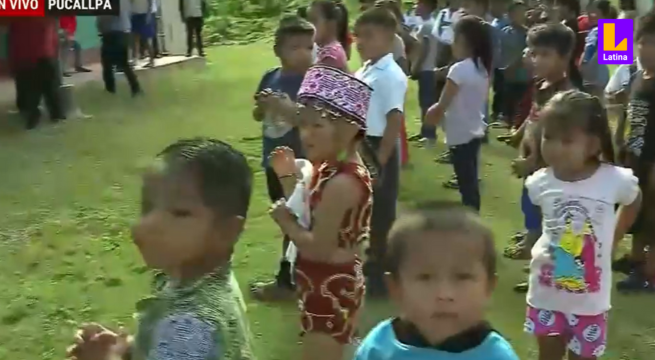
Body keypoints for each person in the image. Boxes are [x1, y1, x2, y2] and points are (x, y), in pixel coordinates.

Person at [65, 138, 256, 360]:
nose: (147, 225)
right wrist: (130, 351)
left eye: (179, 212)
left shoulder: (190, 325)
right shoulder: (199, 280)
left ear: (226, 231)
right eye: (147, 207)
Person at [266, 65, 378, 360]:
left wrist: (284, 221)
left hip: (330, 287)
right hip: (320, 285)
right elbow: (307, 211)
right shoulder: (328, 168)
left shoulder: (343, 182)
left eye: (317, 126)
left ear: (348, 129)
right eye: (303, 125)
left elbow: (319, 247)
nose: (306, 134)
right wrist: (289, 178)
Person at [523, 90, 641, 360]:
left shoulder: (614, 180)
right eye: (548, 137)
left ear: (592, 145)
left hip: (589, 302)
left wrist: (615, 237)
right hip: (546, 295)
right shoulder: (540, 182)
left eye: (566, 140)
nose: (553, 147)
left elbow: (634, 200)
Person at [355, 203, 520, 360]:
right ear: (395, 287)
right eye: (425, 277)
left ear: (489, 286)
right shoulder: (379, 348)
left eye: (462, 277)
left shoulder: (497, 356)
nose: (444, 294)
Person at [249, 16, 315, 302]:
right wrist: (264, 108)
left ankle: (287, 283)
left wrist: (284, 107)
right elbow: (257, 115)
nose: (303, 53)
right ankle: (297, 276)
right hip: (274, 162)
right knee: (286, 220)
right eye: (295, 47)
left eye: (309, 46)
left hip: (301, 166)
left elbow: (312, 122)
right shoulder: (270, 76)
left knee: (295, 221)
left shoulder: (315, 81)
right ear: (278, 50)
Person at [504, 23, 575, 272]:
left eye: (545, 54)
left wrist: (533, 160)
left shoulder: (565, 97)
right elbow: (535, 115)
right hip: (534, 168)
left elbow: (557, 137)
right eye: (534, 54)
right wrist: (520, 133)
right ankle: (534, 244)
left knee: (552, 218)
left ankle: (545, 266)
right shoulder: (541, 85)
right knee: (530, 207)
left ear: (565, 57)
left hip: (550, 171)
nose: (537, 60)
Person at [354, 6, 408, 296]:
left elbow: (394, 121)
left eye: (369, 36)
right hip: (363, 142)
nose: (361, 42)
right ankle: (371, 267)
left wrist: (379, 164)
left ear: (388, 39)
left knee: (382, 214)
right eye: (358, 36)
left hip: (378, 147)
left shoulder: (390, 75)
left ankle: (381, 278)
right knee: (367, 211)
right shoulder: (366, 69)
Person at [426, 15, 491, 212]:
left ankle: (471, 218)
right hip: (474, 129)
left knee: (466, 182)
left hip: (460, 132)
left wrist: (430, 119)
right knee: (470, 179)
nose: (452, 44)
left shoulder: (459, 70)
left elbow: (442, 104)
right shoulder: (482, 67)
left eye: (455, 39)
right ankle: (472, 213)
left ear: (465, 42)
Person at [613, 10, 655, 293]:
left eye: (651, 42)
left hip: (652, 164)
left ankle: (649, 273)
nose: (643, 48)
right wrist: (618, 137)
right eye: (641, 41)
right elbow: (629, 113)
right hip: (634, 159)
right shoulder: (639, 76)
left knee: (651, 219)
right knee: (636, 213)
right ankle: (636, 258)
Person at [7, 17, 65, 130]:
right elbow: (53, 37)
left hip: (27, 57)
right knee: (51, 88)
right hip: (45, 55)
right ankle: (57, 115)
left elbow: (13, 41)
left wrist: (14, 62)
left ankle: (33, 117)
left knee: (31, 90)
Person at [431, 0, 460, 164]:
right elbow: (437, 39)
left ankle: (455, 149)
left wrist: (448, 67)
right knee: (441, 106)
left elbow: (458, 48)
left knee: (451, 106)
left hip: (451, 60)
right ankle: (450, 146)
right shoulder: (442, 13)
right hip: (441, 58)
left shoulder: (461, 16)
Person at [97, 0, 142, 96]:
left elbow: (103, 19)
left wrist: (100, 27)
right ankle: (135, 88)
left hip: (112, 33)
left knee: (107, 63)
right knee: (122, 63)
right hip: (123, 32)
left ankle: (111, 89)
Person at [411, 0, 439, 148]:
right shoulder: (426, 24)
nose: (416, 7)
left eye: (419, 4)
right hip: (427, 68)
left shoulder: (427, 26)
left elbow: (424, 48)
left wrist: (416, 66)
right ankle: (424, 131)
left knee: (427, 103)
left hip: (427, 69)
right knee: (424, 103)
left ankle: (430, 135)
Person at [499, 1, 529, 125]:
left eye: (523, 12)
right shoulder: (504, 32)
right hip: (507, 73)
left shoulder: (527, 33)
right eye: (517, 12)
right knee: (508, 98)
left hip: (522, 73)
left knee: (520, 99)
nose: (521, 15)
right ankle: (507, 119)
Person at [580, 0, 616, 98]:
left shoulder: (596, 31)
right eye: (588, 13)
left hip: (595, 82)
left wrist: (583, 64)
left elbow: (588, 54)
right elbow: (619, 61)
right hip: (614, 82)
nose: (589, 16)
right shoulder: (618, 29)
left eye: (592, 12)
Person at [307, 0, 350, 71]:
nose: (309, 26)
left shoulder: (330, 56)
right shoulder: (325, 50)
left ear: (330, 24)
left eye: (314, 21)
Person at [131, 0, 156, 67]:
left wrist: (149, 15)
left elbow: (150, 3)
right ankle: (135, 60)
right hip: (135, 14)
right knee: (135, 38)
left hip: (145, 14)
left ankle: (152, 60)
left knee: (147, 39)